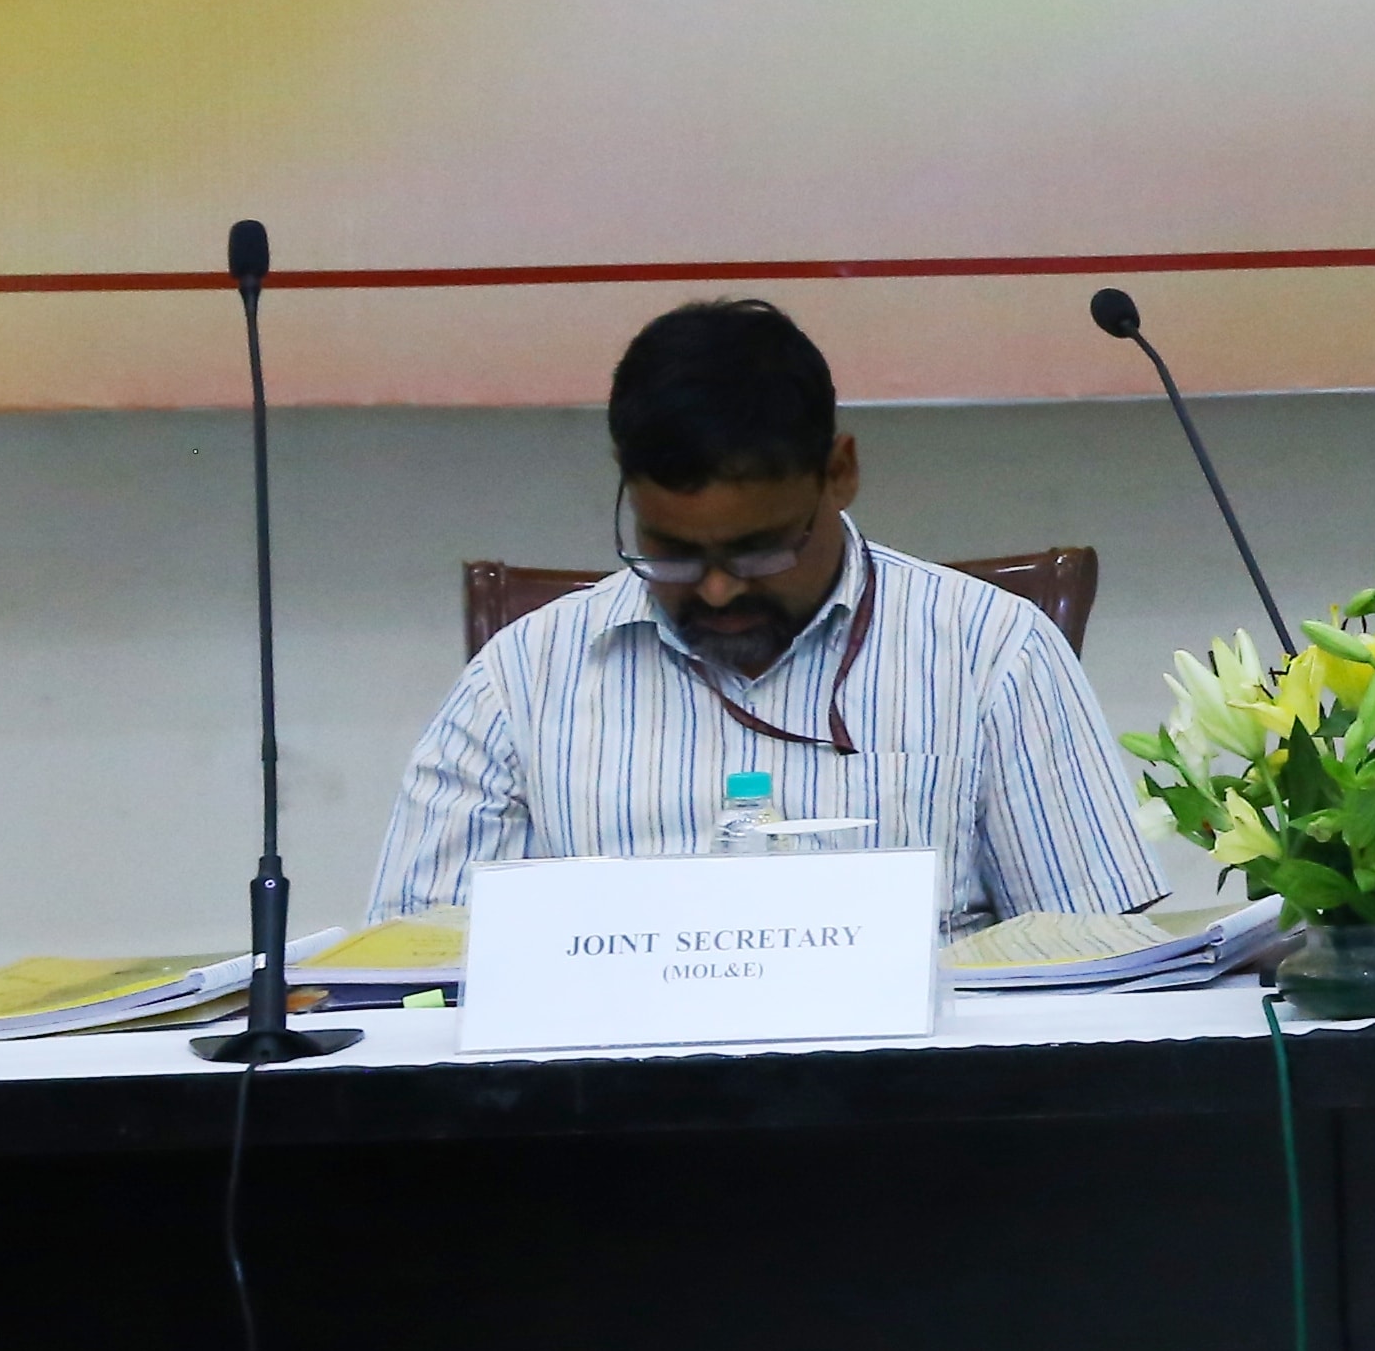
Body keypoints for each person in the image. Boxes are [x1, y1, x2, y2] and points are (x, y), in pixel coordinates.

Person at [370, 299, 1164, 928]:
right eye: (673, 553)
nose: (717, 591)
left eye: (758, 552)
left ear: (839, 472)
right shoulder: (518, 685)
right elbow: (413, 981)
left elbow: (1097, 960)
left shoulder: (993, 654)